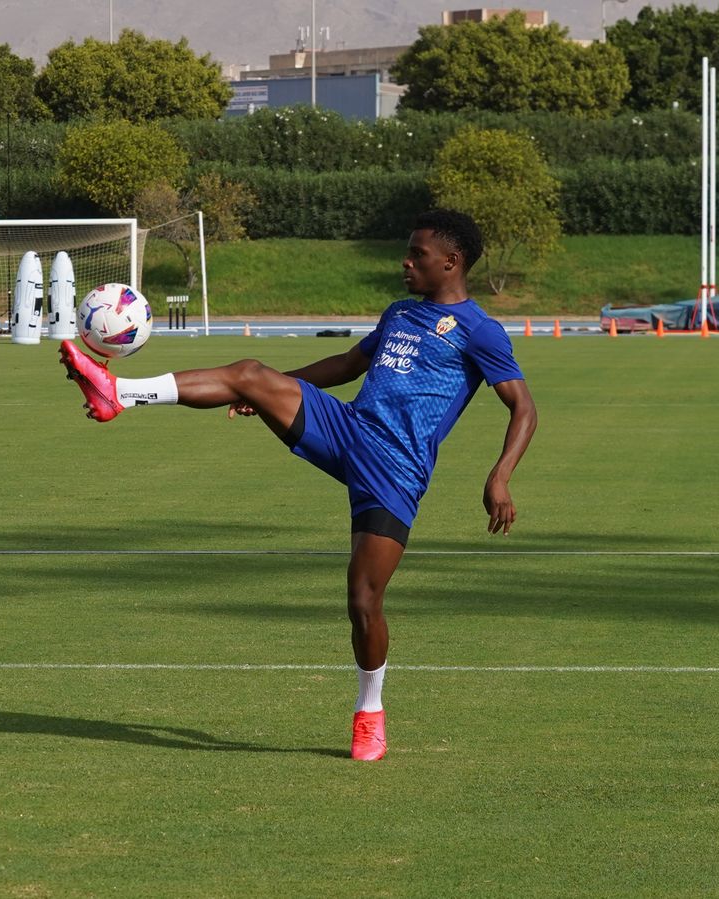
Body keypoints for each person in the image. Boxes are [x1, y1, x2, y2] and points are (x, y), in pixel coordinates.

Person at [58, 209, 538, 761]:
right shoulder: (400, 314)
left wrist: (500, 475)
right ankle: (118, 392)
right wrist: (273, 390)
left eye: (418, 254)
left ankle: (370, 711)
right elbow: (347, 364)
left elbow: (523, 407)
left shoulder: (481, 331)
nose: (406, 261)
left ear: (451, 262)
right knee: (250, 373)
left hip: (396, 470)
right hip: (349, 430)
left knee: (363, 601)